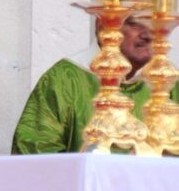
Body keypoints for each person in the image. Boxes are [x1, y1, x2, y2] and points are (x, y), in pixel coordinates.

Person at [12, 19, 179, 153]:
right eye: (135, 23)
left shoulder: (167, 82)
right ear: (104, 26)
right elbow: (35, 153)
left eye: (153, 22)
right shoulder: (64, 79)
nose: (148, 34)